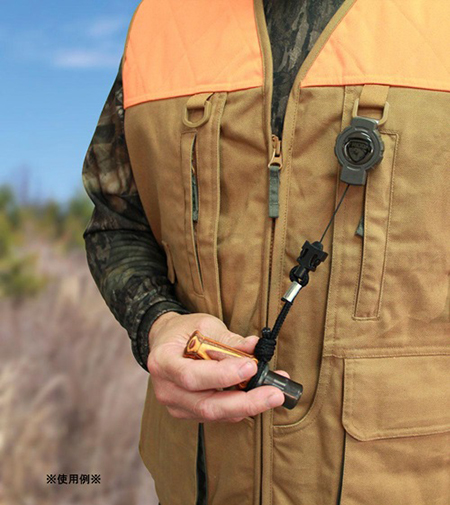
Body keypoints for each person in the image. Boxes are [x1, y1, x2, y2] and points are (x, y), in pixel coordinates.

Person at [83, 1, 450, 504]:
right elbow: (118, 220)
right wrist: (157, 322)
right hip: (199, 483)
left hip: (409, 480)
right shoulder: (160, 20)